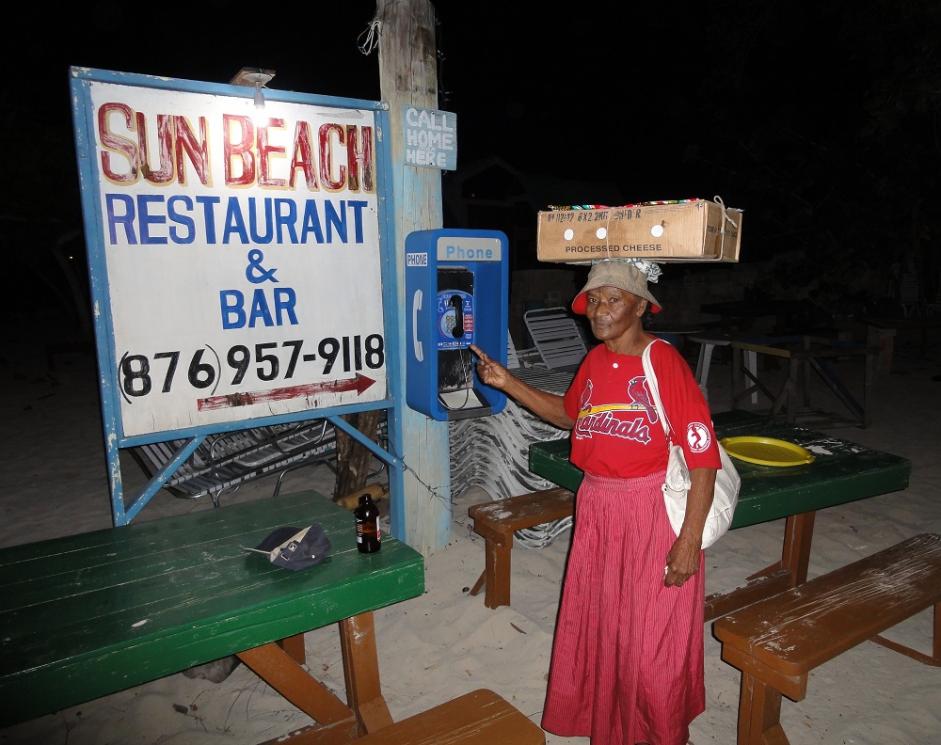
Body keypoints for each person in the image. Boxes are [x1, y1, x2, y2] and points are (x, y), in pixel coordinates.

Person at [470, 261, 720, 745]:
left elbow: (703, 456)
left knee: (652, 638)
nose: (600, 310)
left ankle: (662, 733)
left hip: (650, 511)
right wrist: (508, 382)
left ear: (640, 306)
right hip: (598, 509)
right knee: (605, 628)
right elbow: (568, 416)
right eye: (595, 301)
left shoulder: (663, 361)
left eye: (613, 299)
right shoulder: (595, 362)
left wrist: (689, 540)